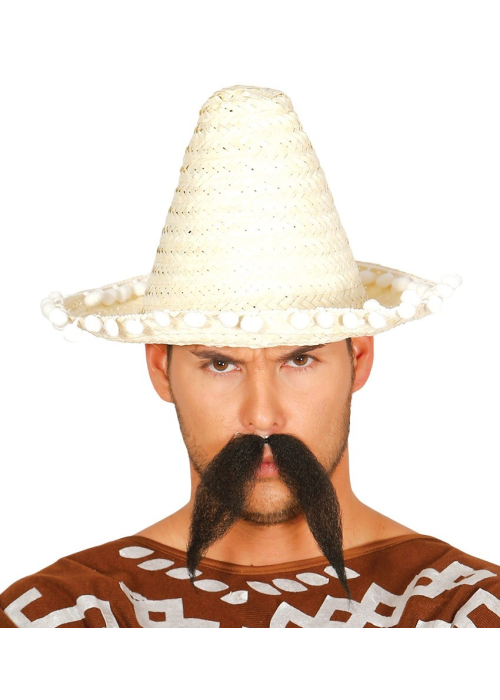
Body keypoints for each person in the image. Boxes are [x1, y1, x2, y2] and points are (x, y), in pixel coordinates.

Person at [1, 85, 499, 628]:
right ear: (160, 368)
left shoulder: (464, 612)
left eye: (299, 360)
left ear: (359, 359)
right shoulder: (68, 615)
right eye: (221, 363)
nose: (262, 416)